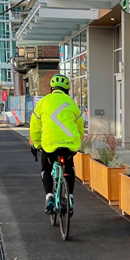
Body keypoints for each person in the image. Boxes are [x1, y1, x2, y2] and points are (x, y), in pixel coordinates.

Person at [29, 74, 84, 216]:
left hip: (49, 144)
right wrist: (77, 142)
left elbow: (34, 126)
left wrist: (36, 144)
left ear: (51, 88)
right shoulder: (72, 103)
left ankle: (49, 197)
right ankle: (70, 198)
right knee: (69, 167)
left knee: (45, 169)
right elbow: (80, 127)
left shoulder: (43, 102)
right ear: (67, 90)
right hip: (70, 143)